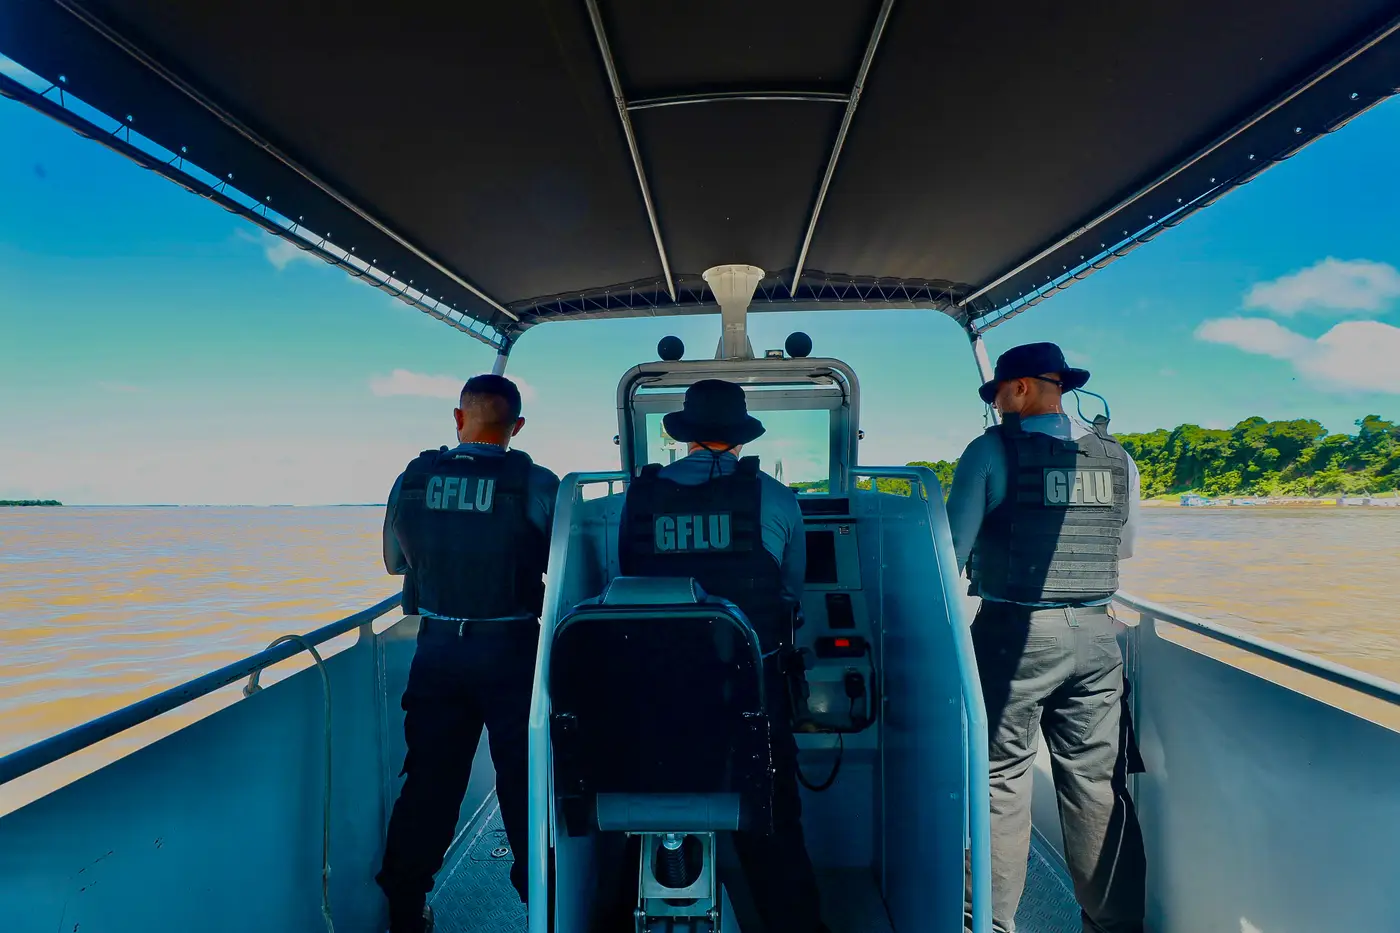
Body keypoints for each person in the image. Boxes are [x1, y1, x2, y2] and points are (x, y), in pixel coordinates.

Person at [948, 343, 1146, 933]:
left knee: (999, 781)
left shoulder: (989, 451)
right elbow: (1123, 548)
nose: (996, 405)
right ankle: (1113, 926)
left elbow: (950, 555)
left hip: (1015, 634)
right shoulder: (1117, 457)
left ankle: (987, 924)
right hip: (1097, 639)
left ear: (1022, 388)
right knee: (1097, 785)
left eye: (999, 393)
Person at [614, 379, 825, 933]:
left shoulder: (639, 497)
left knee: (652, 797)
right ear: (740, 437)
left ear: (684, 435)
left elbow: (627, 581)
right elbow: (791, 595)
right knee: (773, 813)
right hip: (751, 689)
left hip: (659, 694)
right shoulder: (777, 497)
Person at [376, 373, 560, 933]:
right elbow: (566, 566)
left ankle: (406, 910)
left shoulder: (413, 478)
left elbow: (395, 562)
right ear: (517, 427)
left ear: (459, 418)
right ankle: (542, 908)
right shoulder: (535, 482)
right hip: (511, 651)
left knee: (429, 783)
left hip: (436, 651)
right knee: (525, 783)